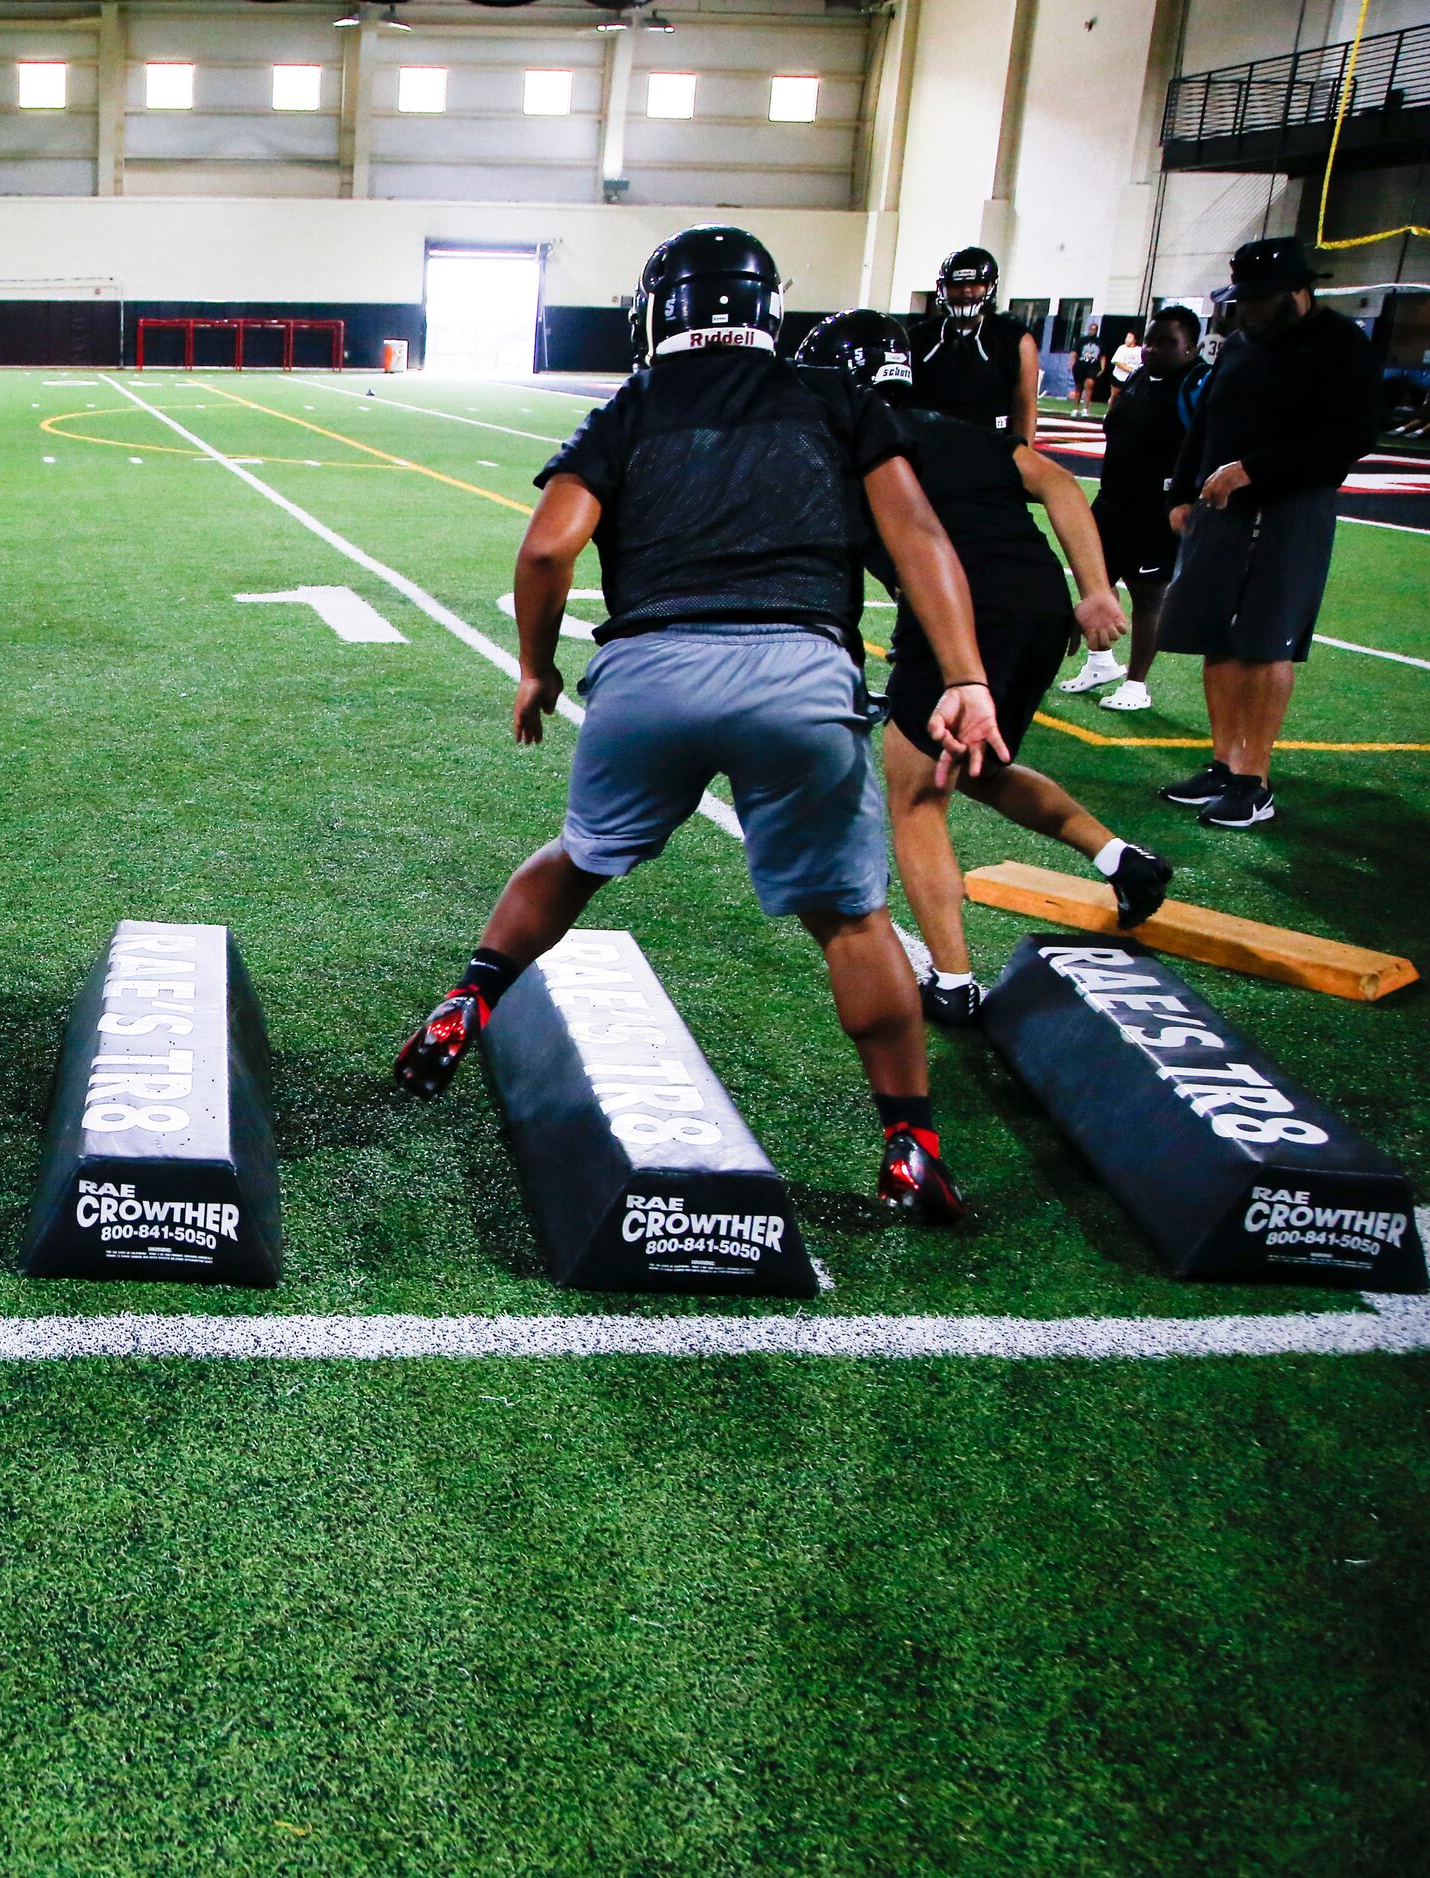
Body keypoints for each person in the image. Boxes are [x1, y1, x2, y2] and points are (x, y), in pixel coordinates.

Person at [391, 226, 1004, 1221]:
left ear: (655, 311)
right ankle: (911, 1147)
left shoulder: (633, 407)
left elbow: (549, 551)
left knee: (580, 857)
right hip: (801, 675)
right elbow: (918, 533)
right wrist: (966, 675)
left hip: (650, 676)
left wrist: (538, 670)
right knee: (852, 920)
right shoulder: (835, 400)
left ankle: (471, 998)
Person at [801, 310, 1174, 1026]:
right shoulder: (962, 432)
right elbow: (1061, 486)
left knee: (916, 799)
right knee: (975, 767)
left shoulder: (853, 458)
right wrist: (1090, 588)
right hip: (1035, 605)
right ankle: (1119, 858)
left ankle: (951, 980)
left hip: (964, 616)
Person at [1153, 235, 1380, 831]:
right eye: (1244, 298)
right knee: (1216, 638)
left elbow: (1350, 438)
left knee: (1266, 640)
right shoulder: (1240, 346)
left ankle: (1255, 779)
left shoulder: (1341, 347)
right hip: (1219, 510)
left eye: (1261, 298)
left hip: (1290, 508)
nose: (1248, 309)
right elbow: (1206, 422)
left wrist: (1255, 470)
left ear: (1300, 291)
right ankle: (1225, 765)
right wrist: (1180, 492)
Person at [1059, 306, 1210, 711]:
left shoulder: (1198, 384)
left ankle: (1137, 683)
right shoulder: (1142, 377)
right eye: (1150, 341)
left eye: (1166, 343)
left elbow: (1209, 445)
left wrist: (1187, 498)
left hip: (1153, 508)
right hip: (1112, 500)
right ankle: (1101, 663)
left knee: (1148, 596)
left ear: (1191, 347)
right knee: (1094, 582)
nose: (1153, 350)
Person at [904, 246, 1038, 442]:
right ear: (944, 288)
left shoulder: (1014, 338)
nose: (966, 291)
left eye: (974, 284)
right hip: (928, 445)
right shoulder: (918, 337)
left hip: (989, 447)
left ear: (989, 286)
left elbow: (1025, 406)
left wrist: (1022, 455)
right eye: (957, 284)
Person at [1069, 323, 1110, 417]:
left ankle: (1086, 408)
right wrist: (1071, 364)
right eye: (1091, 329)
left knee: (1089, 385)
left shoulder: (1100, 342)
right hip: (1080, 365)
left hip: (1092, 366)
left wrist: (1102, 368)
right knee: (1079, 388)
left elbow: (1103, 356)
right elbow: (1074, 352)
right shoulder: (1081, 340)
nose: (1092, 331)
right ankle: (1076, 408)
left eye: (1094, 329)